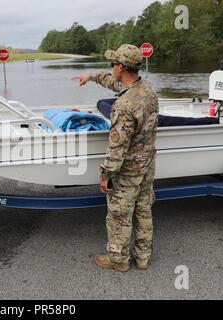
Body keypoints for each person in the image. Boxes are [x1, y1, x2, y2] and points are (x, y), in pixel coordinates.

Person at [73, 44, 159, 272]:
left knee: (119, 215)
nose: (111, 68)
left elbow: (117, 147)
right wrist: (90, 77)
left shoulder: (123, 106)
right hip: (147, 165)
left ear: (120, 67)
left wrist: (106, 175)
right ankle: (142, 258)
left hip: (128, 170)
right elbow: (113, 83)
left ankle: (119, 261)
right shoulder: (148, 90)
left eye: (113, 64)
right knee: (143, 210)